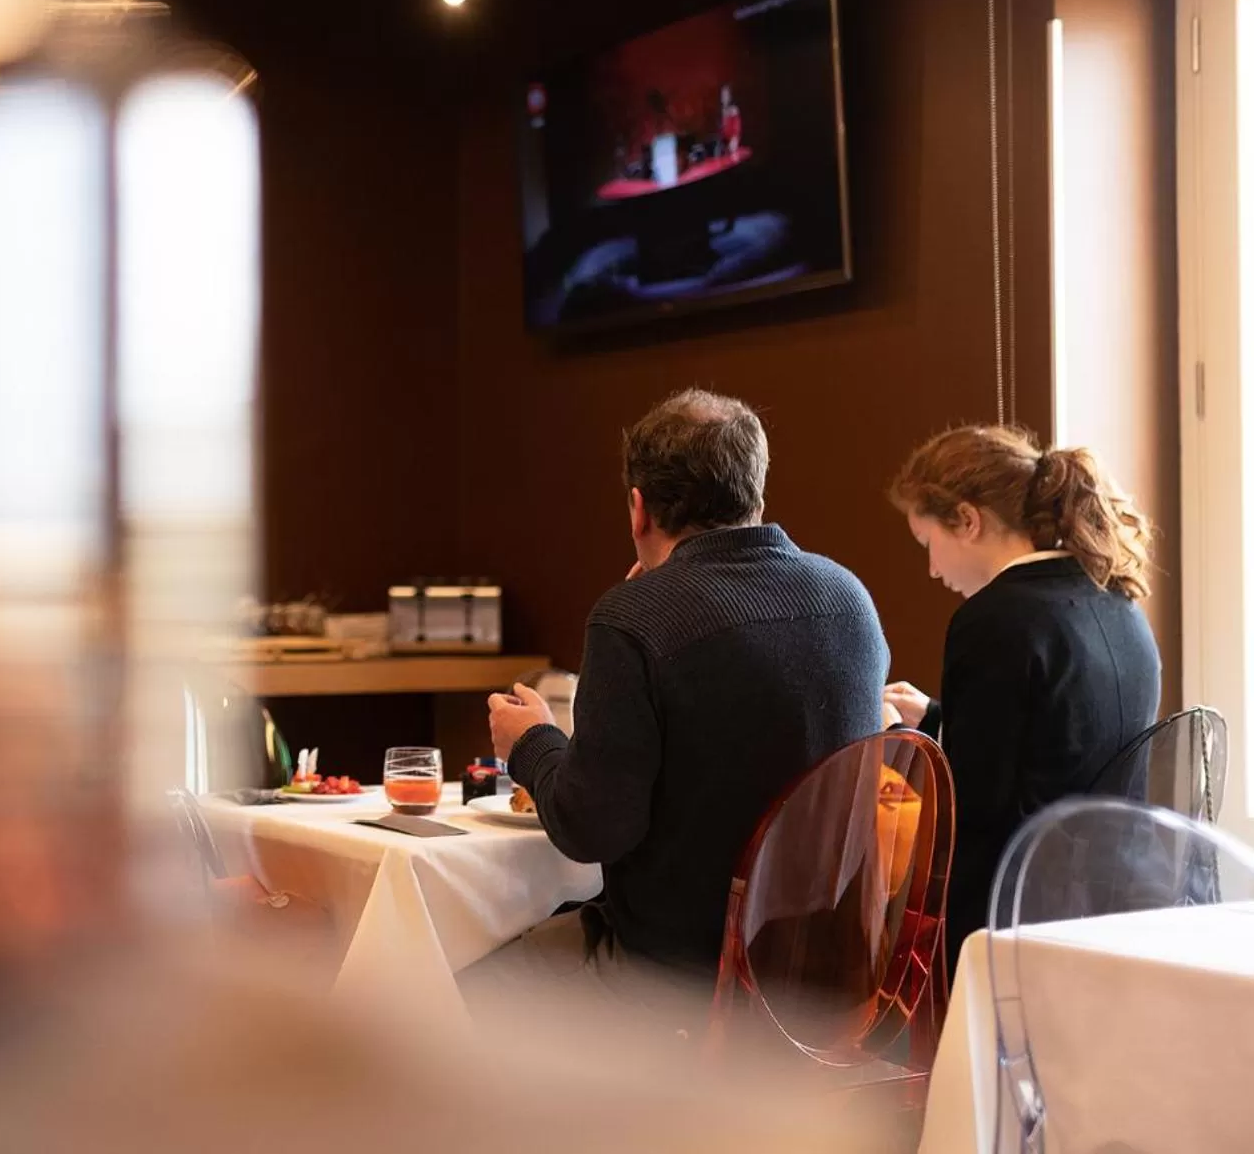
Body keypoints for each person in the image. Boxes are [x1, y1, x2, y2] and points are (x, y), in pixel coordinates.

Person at [468, 390, 889, 1017]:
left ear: (638, 509)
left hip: (687, 977)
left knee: (452, 996)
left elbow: (592, 828)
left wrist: (531, 743)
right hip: (833, 973)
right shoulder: (847, 598)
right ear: (758, 494)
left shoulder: (634, 619)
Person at [882, 426, 1160, 959]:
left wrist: (897, 737)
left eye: (929, 545)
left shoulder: (993, 620)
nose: (933, 569)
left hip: (1016, 916)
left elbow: (973, 808)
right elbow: (1062, 739)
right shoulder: (1119, 603)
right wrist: (938, 718)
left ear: (967, 520)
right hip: (1118, 907)